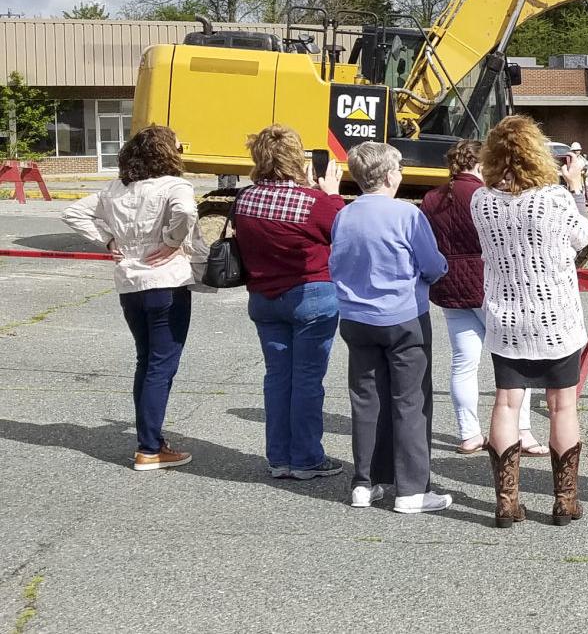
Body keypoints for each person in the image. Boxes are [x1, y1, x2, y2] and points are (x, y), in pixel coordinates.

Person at [473, 115, 588, 527]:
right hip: (555, 317)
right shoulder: (553, 198)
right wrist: (575, 188)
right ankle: (565, 501)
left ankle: (507, 503)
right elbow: (584, 240)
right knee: (562, 405)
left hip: (506, 318)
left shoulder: (481, 200)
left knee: (507, 401)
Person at [62, 125, 206, 471]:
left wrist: (108, 240)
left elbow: (72, 213)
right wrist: (172, 241)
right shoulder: (174, 185)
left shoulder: (115, 190)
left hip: (130, 284)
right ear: (167, 153)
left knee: (146, 361)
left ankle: (150, 441)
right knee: (162, 364)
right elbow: (186, 212)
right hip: (166, 283)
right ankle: (150, 447)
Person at [329, 141, 452, 514]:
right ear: (387, 175)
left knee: (366, 400)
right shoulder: (407, 215)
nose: (400, 175)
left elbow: (337, 261)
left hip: (356, 317)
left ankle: (365, 482)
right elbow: (432, 265)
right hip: (402, 317)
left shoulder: (344, 215)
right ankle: (412, 489)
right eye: (397, 169)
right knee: (410, 401)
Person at [419, 140, 548, 457]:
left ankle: (469, 434)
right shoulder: (483, 196)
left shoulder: (432, 198)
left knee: (463, 364)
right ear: (480, 165)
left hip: (449, 287)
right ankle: (523, 431)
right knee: (518, 360)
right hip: (487, 285)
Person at [233, 125, 346, 481]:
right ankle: (307, 458)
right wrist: (331, 193)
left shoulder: (245, 199)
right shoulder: (313, 203)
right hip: (310, 294)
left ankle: (279, 457)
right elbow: (342, 229)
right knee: (308, 380)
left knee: (277, 378)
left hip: (264, 298)